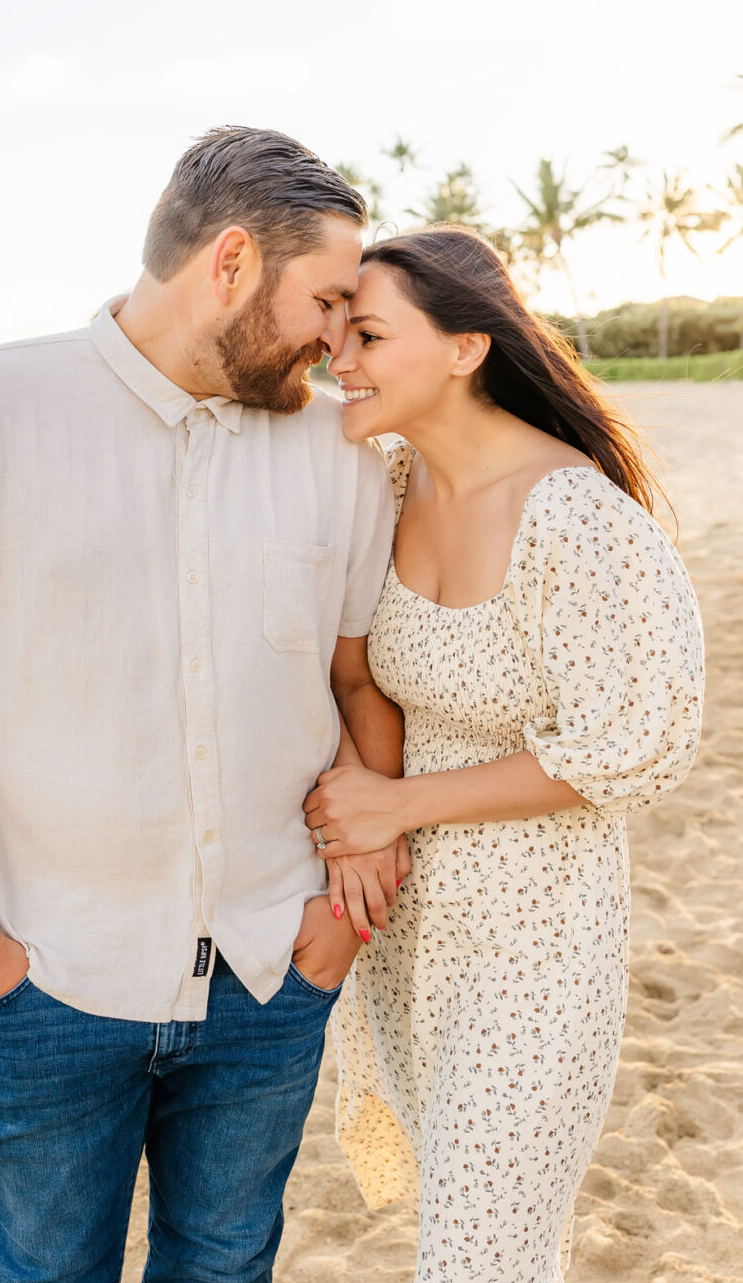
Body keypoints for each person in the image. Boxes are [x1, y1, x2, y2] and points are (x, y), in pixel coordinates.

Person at [0, 125, 408, 1283]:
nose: (338, 338)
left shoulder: (336, 449)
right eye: (327, 300)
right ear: (233, 263)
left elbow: (358, 683)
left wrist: (339, 926)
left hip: (269, 970)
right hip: (49, 977)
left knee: (224, 1268)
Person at [303, 226, 704, 1282]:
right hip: (410, 934)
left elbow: (632, 746)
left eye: (368, 335)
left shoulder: (570, 516)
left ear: (465, 348)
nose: (335, 359)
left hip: (535, 941)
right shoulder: (383, 483)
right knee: (487, 1241)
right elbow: (346, 671)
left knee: (477, 1259)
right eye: (333, 334)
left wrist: (397, 805)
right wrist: (361, 823)